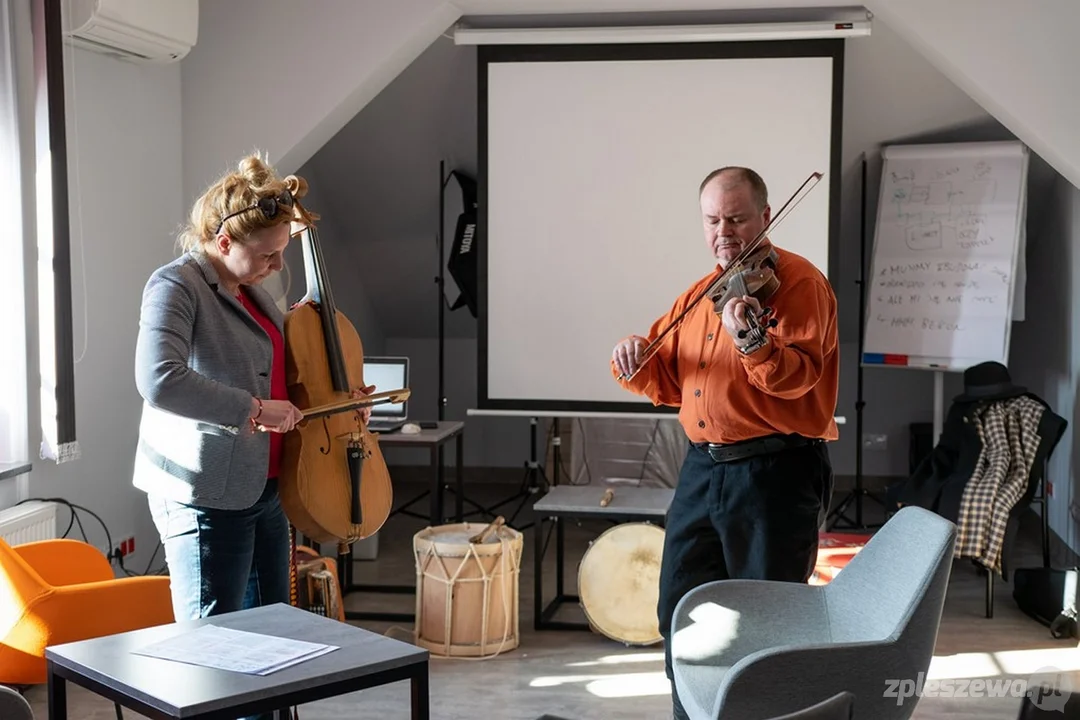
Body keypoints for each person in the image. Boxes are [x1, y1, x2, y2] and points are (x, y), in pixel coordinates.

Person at [610, 166, 839, 719]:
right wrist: (634, 360)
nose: (724, 232)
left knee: (765, 621)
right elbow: (669, 382)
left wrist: (752, 341)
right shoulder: (700, 293)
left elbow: (797, 379)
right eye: (713, 220)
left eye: (736, 218)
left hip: (774, 474)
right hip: (702, 471)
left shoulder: (801, 285)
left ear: (765, 216)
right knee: (681, 608)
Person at [131, 153, 372, 646]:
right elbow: (160, 379)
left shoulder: (250, 290)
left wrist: (342, 400)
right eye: (266, 254)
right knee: (217, 643)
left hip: (267, 487)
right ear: (223, 241)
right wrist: (255, 410)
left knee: (272, 635)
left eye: (282, 251)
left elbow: (279, 374)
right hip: (209, 495)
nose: (278, 264)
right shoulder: (175, 286)